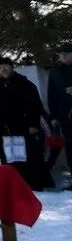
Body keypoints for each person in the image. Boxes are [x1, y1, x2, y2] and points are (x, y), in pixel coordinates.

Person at [0, 57, 52, 191]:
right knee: (9, 158)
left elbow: (35, 106)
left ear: (11, 67)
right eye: (0, 67)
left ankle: (33, 184)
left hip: (24, 128)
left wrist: (34, 125)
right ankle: (14, 186)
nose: (3, 69)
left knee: (28, 157)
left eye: (6, 66)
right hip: (4, 130)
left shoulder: (24, 84)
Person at [46, 42, 72, 188]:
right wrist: (54, 116)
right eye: (62, 54)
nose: (63, 56)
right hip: (65, 117)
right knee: (70, 146)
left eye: (66, 53)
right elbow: (52, 96)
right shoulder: (56, 72)